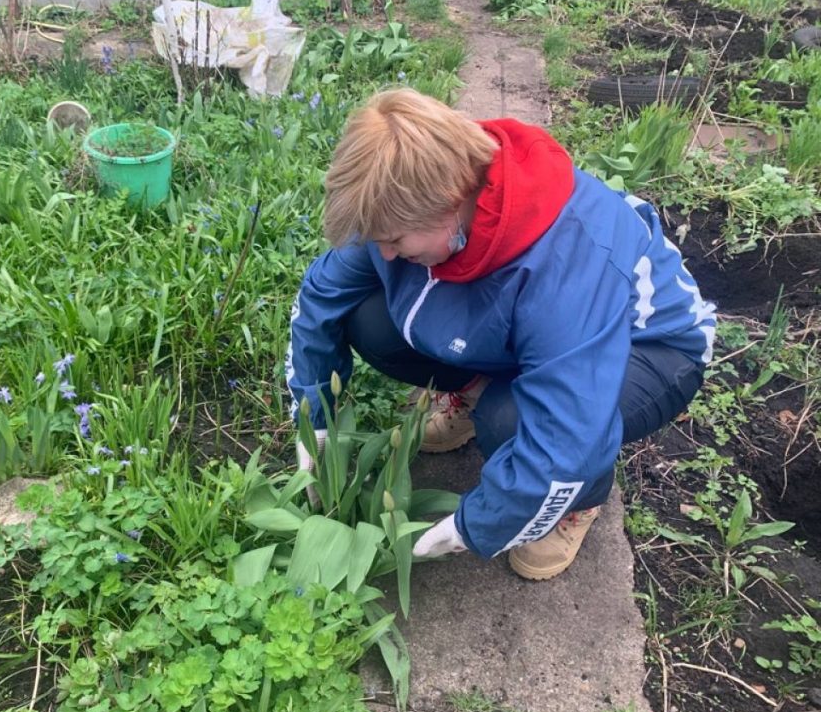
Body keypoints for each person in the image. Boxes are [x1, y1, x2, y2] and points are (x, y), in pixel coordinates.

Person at [285, 88, 715, 580]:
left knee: (510, 419)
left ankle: (580, 500)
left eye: (394, 241)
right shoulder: (412, 197)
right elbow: (320, 298)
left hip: (649, 348)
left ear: (449, 203)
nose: (384, 253)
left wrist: (479, 524)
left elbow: (569, 429)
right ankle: (476, 393)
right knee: (367, 317)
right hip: (543, 327)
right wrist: (312, 416)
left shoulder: (567, 257)